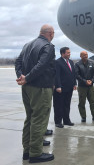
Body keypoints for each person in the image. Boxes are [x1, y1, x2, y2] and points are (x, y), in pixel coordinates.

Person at [15, 24, 55, 163]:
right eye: (53, 33)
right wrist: (27, 78)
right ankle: (36, 153)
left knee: (30, 118)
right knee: (39, 119)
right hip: (41, 88)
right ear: (50, 33)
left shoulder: (28, 45)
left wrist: (22, 77)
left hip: (26, 87)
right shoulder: (48, 46)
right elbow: (42, 65)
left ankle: (27, 151)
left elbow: (18, 62)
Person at [53, 47, 77, 128]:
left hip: (69, 88)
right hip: (61, 88)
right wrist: (58, 86)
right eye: (68, 53)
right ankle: (58, 121)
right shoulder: (58, 62)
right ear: (63, 54)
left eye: (69, 52)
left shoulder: (70, 62)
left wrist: (74, 84)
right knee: (59, 105)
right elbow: (57, 76)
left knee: (67, 105)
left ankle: (66, 120)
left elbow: (73, 73)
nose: (69, 54)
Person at [75, 51, 94, 122]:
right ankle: (83, 117)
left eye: (86, 55)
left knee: (92, 101)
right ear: (80, 56)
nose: (85, 56)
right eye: (84, 55)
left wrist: (91, 81)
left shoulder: (91, 63)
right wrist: (84, 81)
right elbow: (77, 75)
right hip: (82, 87)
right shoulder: (77, 64)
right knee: (82, 102)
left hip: (90, 86)